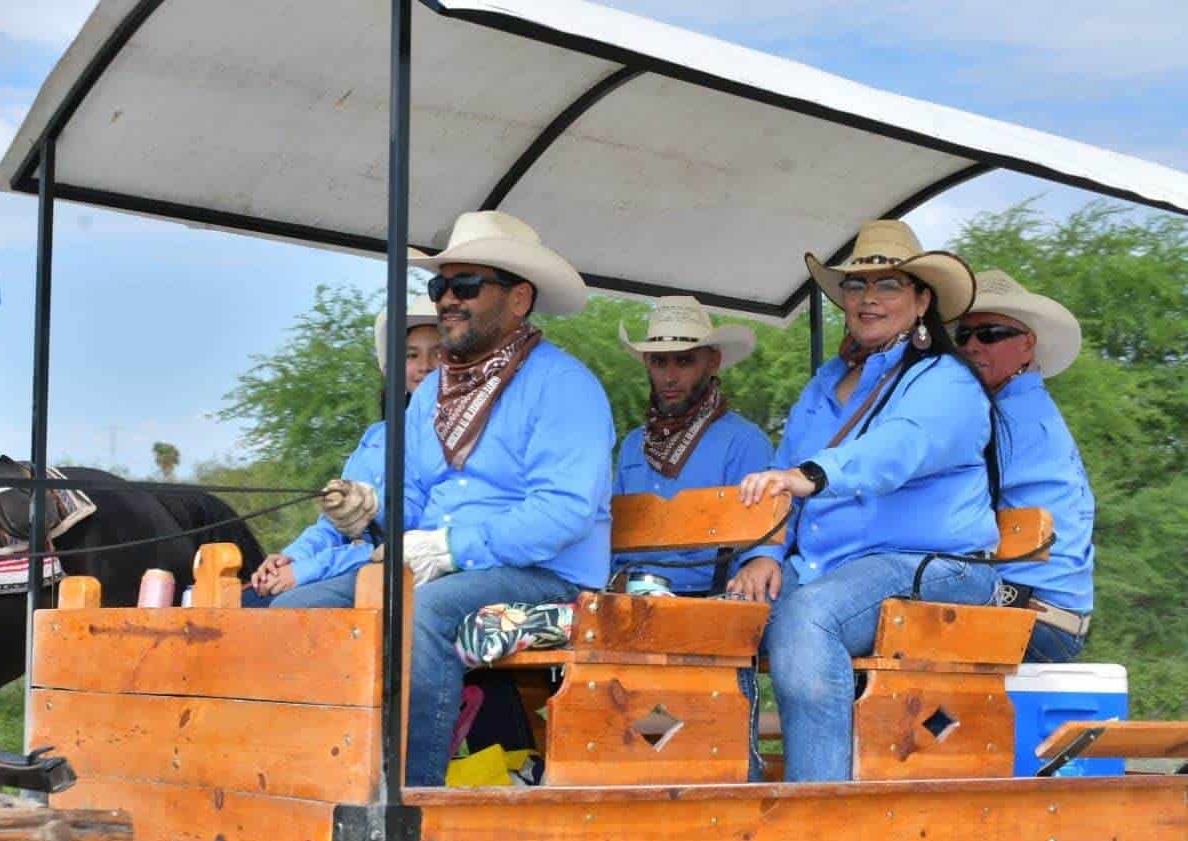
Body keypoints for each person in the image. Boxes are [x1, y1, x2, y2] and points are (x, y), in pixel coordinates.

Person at [272, 210, 613, 787]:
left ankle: (412, 807)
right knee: (293, 613)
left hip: (544, 574)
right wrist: (371, 512)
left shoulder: (565, 385)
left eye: (466, 286)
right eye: (440, 286)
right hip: (439, 566)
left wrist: (451, 547)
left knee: (419, 614)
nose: (447, 300)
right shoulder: (433, 390)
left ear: (519, 298)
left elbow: (562, 512)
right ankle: (320, 786)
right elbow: (411, 498)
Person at [731, 220, 999, 782]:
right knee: (713, 623)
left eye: (888, 285)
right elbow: (784, 487)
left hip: (934, 566)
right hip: (830, 568)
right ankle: (740, 810)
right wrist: (764, 556)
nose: (868, 298)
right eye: (855, 286)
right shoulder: (825, 384)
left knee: (808, 617)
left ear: (922, 300)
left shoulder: (946, 380)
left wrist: (811, 474)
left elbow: (896, 449)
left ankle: (821, 817)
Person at [249, 298, 442, 599]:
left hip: (409, 569)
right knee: (247, 599)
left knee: (293, 604)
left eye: (438, 354)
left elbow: (414, 536)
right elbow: (334, 523)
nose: (424, 367)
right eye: (412, 355)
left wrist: (308, 570)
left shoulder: (454, 436)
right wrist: (292, 557)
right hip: (357, 564)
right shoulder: (376, 437)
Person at [956, 270, 1094, 662]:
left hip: (1029, 619)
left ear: (1027, 345)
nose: (972, 346)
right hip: (1050, 615)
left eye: (991, 334)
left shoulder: (1004, 418)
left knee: (858, 623)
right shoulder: (1028, 408)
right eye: (963, 336)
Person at [612, 295, 772, 595]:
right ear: (647, 363)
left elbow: (758, 548)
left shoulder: (745, 443)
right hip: (625, 595)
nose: (670, 377)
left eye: (684, 360)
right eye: (660, 362)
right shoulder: (634, 444)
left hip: (705, 600)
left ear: (712, 362)